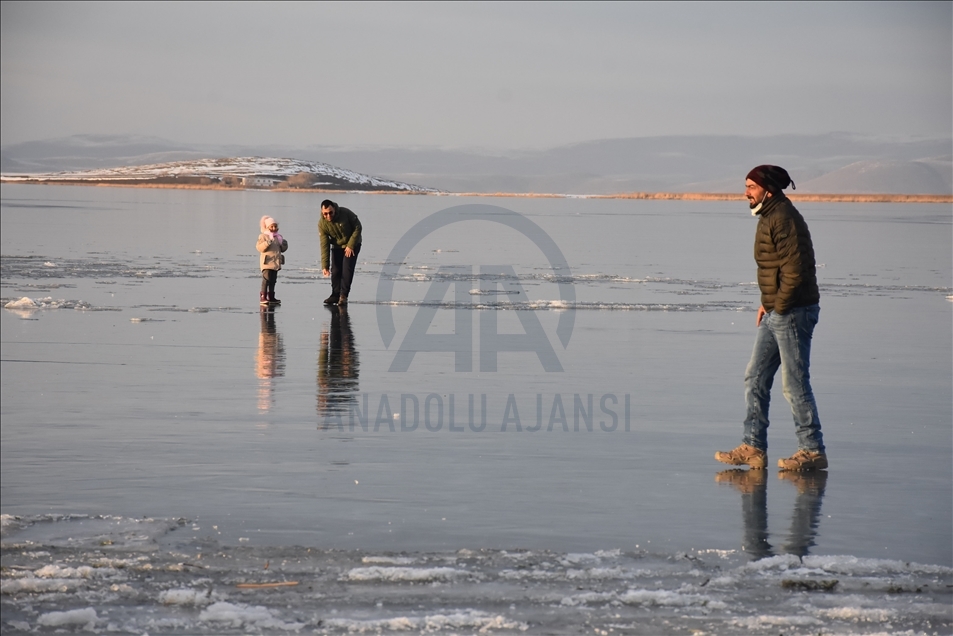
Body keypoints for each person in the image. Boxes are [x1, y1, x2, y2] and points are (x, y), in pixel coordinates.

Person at [715, 165, 827, 472]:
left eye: (751, 186)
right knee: (755, 377)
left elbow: (794, 271)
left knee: (794, 384)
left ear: (769, 189)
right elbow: (776, 269)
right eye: (746, 186)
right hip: (778, 309)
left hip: (794, 311)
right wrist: (767, 304)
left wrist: (778, 304)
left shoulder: (783, 219)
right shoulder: (770, 216)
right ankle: (753, 447)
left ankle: (812, 450)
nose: (746, 192)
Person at [318, 199, 362, 306]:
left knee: (347, 269)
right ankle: (335, 294)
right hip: (337, 246)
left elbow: (358, 227)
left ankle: (343, 296)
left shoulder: (345, 213)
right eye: (325, 214)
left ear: (334, 209)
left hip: (353, 243)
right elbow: (324, 245)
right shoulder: (322, 224)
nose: (328, 216)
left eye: (330, 213)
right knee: (336, 270)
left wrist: (350, 245)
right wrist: (325, 266)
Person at [256, 215, 288, 305]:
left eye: (275, 226)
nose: (274, 228)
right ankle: (263, 296)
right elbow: (259, 247)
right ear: (267, 227)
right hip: (267, 262)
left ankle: (271, 296)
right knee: (266, 279)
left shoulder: (278, 237)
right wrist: (267, 242)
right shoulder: (263, 236)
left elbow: (283, 249)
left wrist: (284, 244)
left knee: (273, 280)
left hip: (275, 262)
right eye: (272, 226)